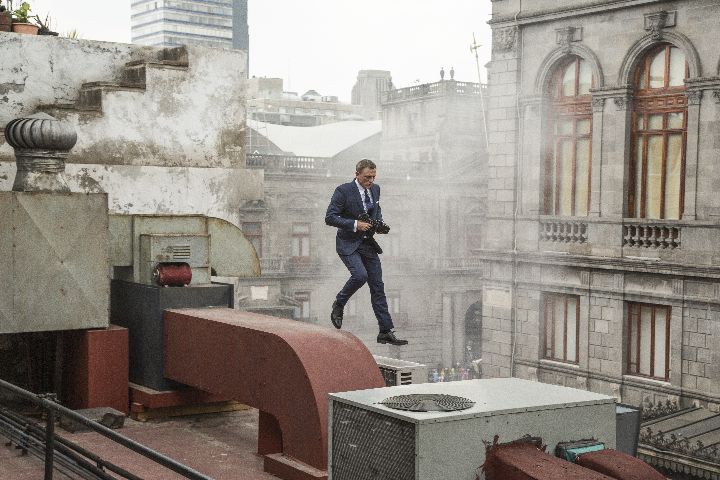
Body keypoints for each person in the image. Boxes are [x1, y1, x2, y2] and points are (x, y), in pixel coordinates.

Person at [325, 159, 408, 346]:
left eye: (373, 177)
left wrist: (379, 223)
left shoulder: (376, 189)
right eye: (367, 177)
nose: (370, 181)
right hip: (348, 244)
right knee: (360, 275)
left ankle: (385, 331)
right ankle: (339, 303)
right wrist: (355, 224)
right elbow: (330, 217)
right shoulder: (343, 191)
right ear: (357, 174)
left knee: (378, 286)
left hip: (367, 244)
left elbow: (376, 211)